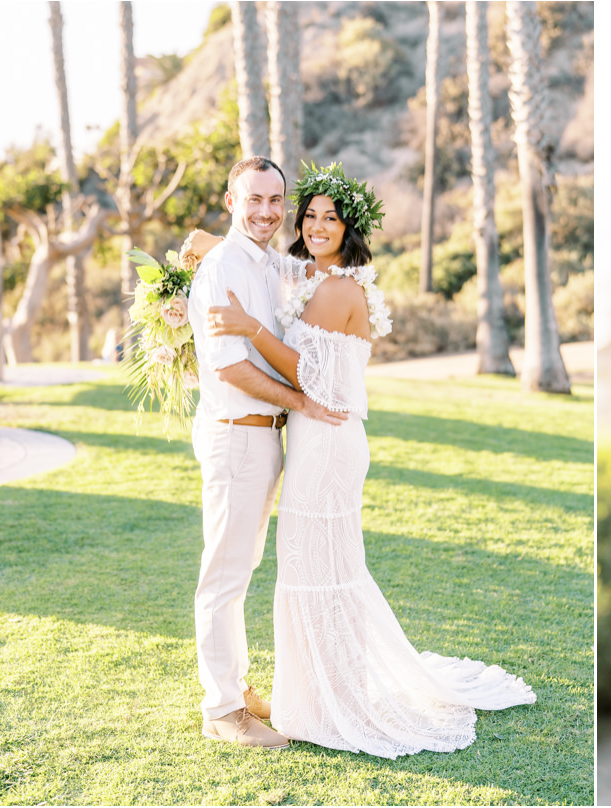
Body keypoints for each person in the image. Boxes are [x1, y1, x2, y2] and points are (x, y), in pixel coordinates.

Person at [202, 162, 536, 759]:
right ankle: (292, 697)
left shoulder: (335, 288)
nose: (314, 224)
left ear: (350, 226)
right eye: (308, 215)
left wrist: (252, 325)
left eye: (329, 217)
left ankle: (329, 699)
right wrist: (212, 245)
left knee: (318, 571)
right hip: (308, 437)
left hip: (323, 439)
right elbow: (275, 263)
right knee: (310, 569)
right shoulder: (308, 275)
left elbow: (310, 374)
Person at [187, 156, 345, 750]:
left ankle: (236, 687)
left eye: (275, 200)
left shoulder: (260, 262)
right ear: (231, 201)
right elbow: (231, 366)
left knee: (241, 567)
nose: (266, 211)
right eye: (253, 200)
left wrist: (201, 240)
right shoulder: (225, 267)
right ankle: (223, 710)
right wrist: (301, 402)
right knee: (223, 576)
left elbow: (303, 269)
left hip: (261, 436)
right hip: (237, 433)